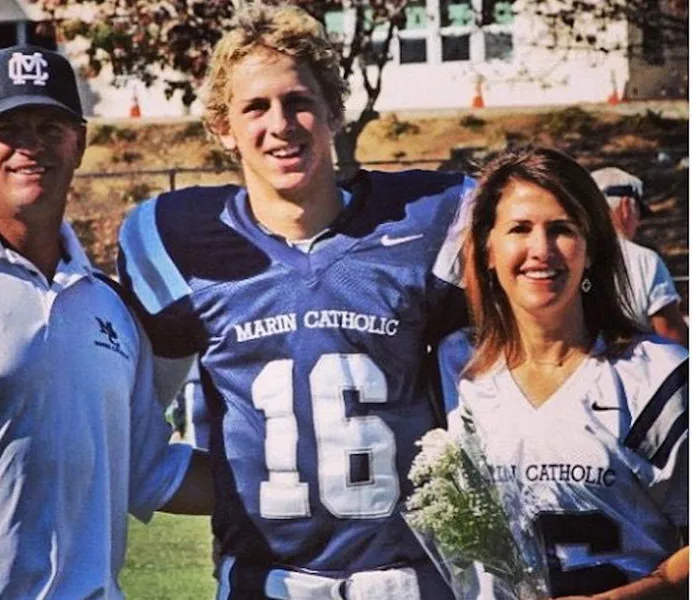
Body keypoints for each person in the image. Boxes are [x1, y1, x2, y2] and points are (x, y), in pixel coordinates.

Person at [117, 3, 472, 598]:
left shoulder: (430, 218)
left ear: (333, 111)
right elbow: (131, 433)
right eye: (254, 106)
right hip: (267, 584)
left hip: (412, 582)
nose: (280, 123)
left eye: (298, 101)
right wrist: (233, 486)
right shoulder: (179, 240)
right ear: (222, 129)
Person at [0, 45, 211, 598]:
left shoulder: (111, 305)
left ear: (80, 143)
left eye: (51, 126)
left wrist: (294, 473)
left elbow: (147, 468)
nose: (30, 145)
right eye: (8, 127)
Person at [438, 146, 688, 599]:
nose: (541, 250)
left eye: (561, 230)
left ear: (591, 250)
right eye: (519, 229)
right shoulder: (473, 385)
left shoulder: (654, 379)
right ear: (488, 250)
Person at [590, 166, 687, 346]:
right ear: (627, 207)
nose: (638, 221)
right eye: (638, 212)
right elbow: (672, 338)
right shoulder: (644, 260)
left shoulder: (564, 257)